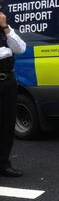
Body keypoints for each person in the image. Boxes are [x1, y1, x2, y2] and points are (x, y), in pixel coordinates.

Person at [0, 11, 27, 178]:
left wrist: (5, 27)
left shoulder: (5, 30)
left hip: (7, 82)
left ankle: (4, 164)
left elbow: (20, 48)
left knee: (7, 125)